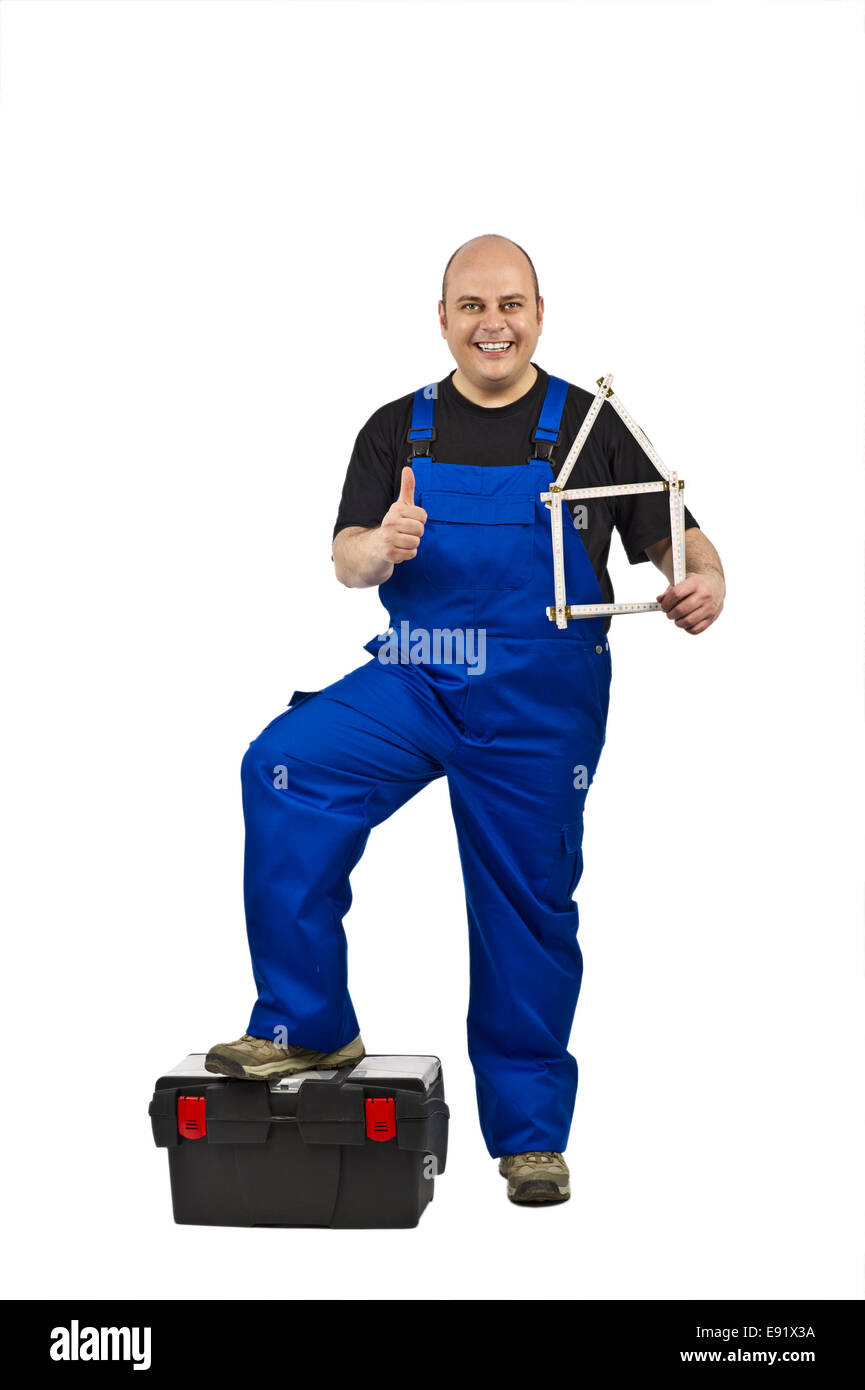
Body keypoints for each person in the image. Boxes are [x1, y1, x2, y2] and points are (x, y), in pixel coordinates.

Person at [205, 234, 726, 1206]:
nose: (494, 322)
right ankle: (306, 1019)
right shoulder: (394, 428)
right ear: (441, 317)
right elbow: (346, 561)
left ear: (539, 312)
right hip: (421, 674)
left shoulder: (589, 426)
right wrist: (380, 545)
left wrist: (703, 582)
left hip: (541, 700)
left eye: (512, 303)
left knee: (525, 908)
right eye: (473, 305)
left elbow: (677, 537)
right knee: (283, 765)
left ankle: (529, 1137)